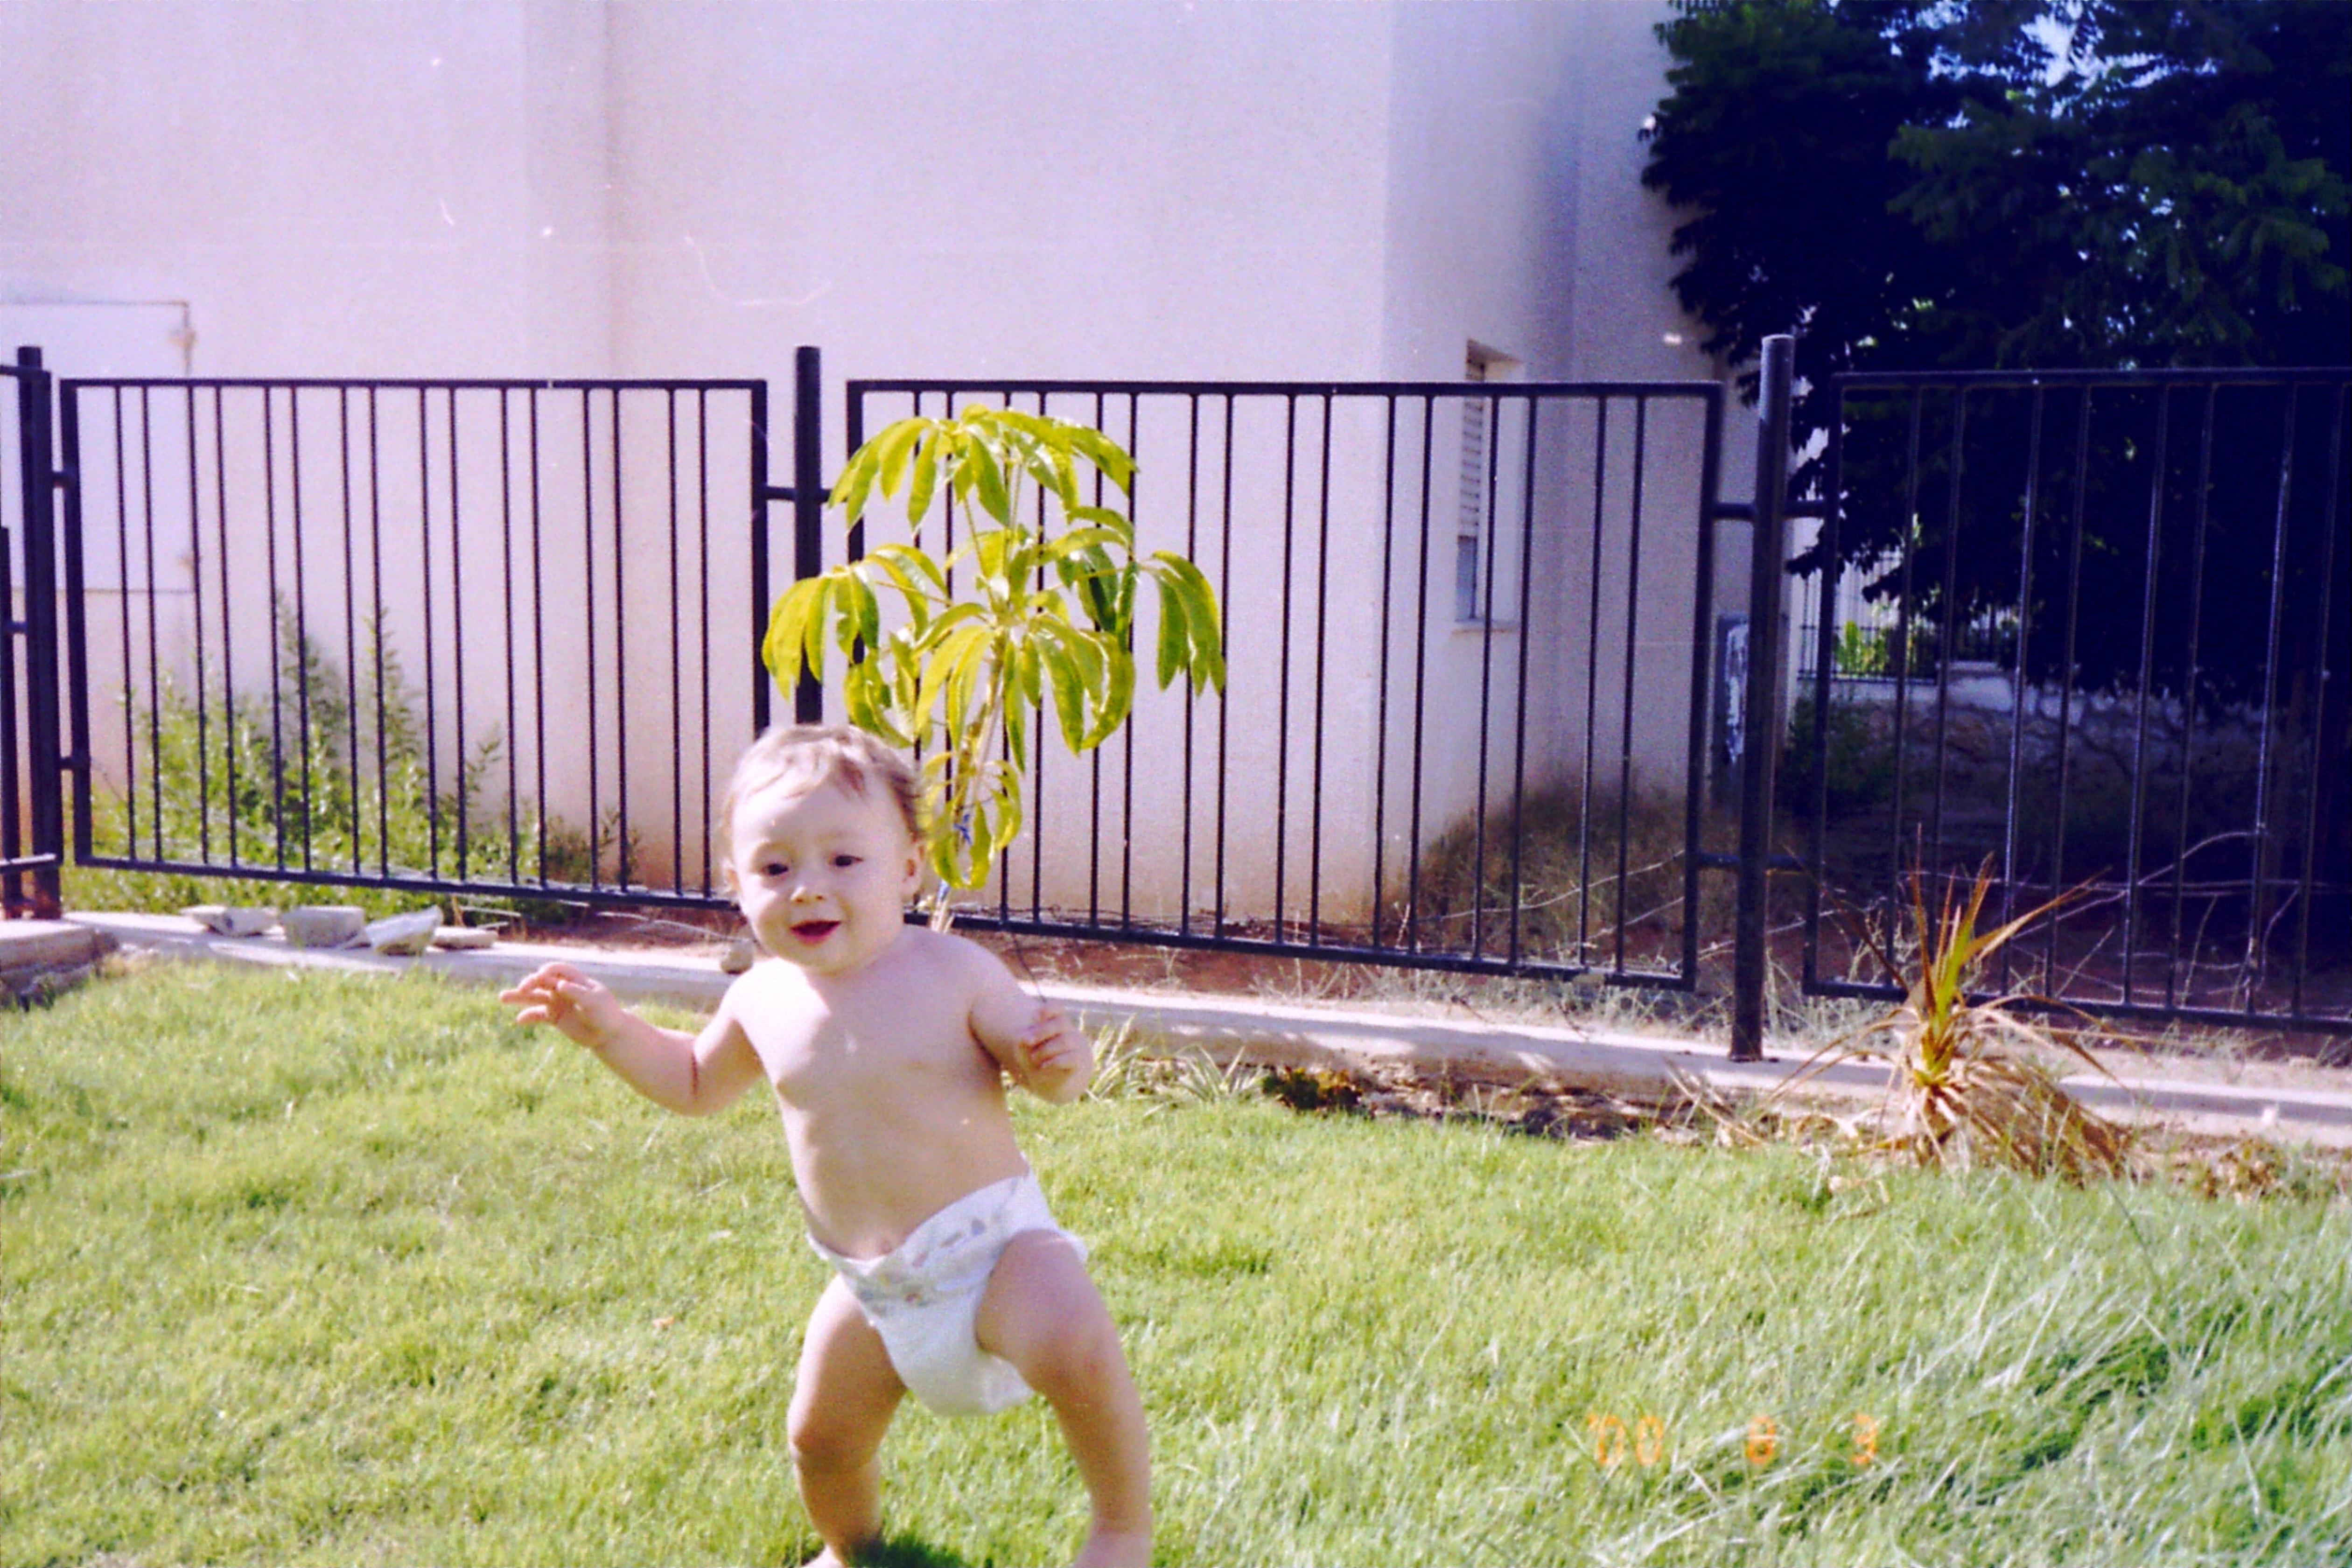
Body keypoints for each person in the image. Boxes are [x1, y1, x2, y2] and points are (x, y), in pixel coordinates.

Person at [500, 724, 1150, 1568]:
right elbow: (694, 1082)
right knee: (819, 1439)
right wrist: (612, 1032)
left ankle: (1120, 1529)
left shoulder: (953, 972)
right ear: (737, 885)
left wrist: (1060, 1063)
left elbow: (1046, 1072)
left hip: (993, 1250)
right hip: (875, 1285)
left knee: (1075, 1347)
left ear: (908, 869)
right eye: (776, 869)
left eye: (845, 861)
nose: (809, 889)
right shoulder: (762, 998)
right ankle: (851, 1550)